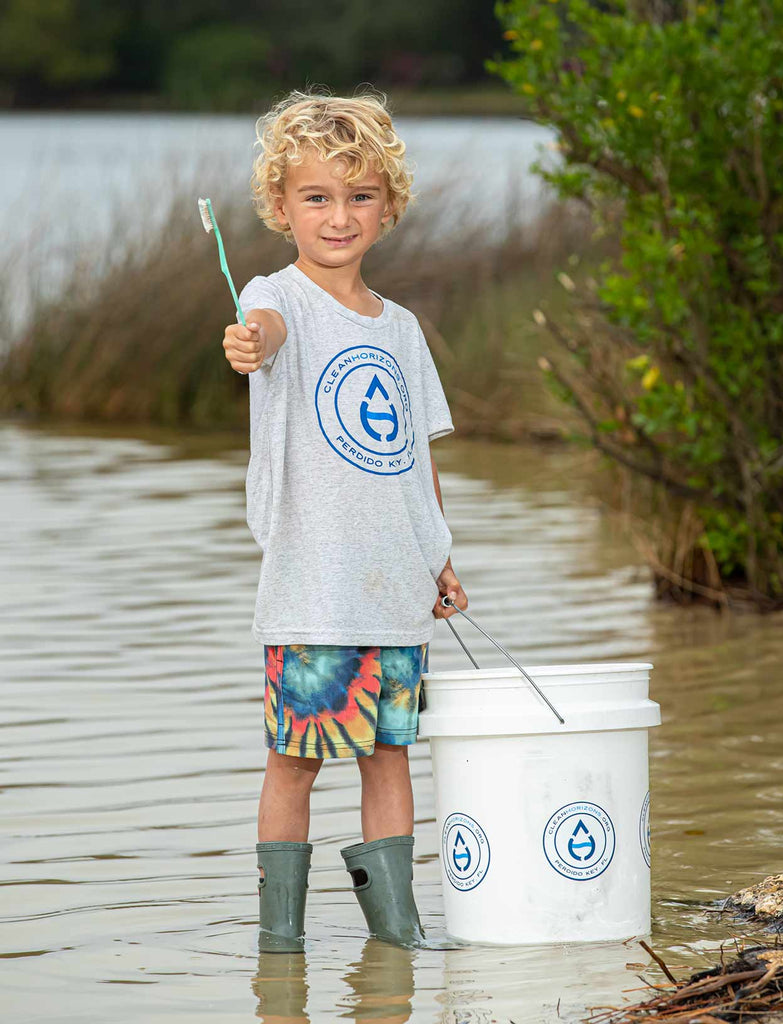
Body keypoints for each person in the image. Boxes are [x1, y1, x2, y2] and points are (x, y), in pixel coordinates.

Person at [220, 87, 468, 953]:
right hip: (313, 589)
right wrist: (249, 343)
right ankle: (279, 947)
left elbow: (413, 456)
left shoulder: (399, 328)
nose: (338, 216)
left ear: (387, 206)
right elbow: (263, 330)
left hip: (393, 587)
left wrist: (437, 558)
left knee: (389, 756)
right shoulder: (272, 293)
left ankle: (396, 936)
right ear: (281, 206)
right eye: (316, 197)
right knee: (294, 762)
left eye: (359, 196)